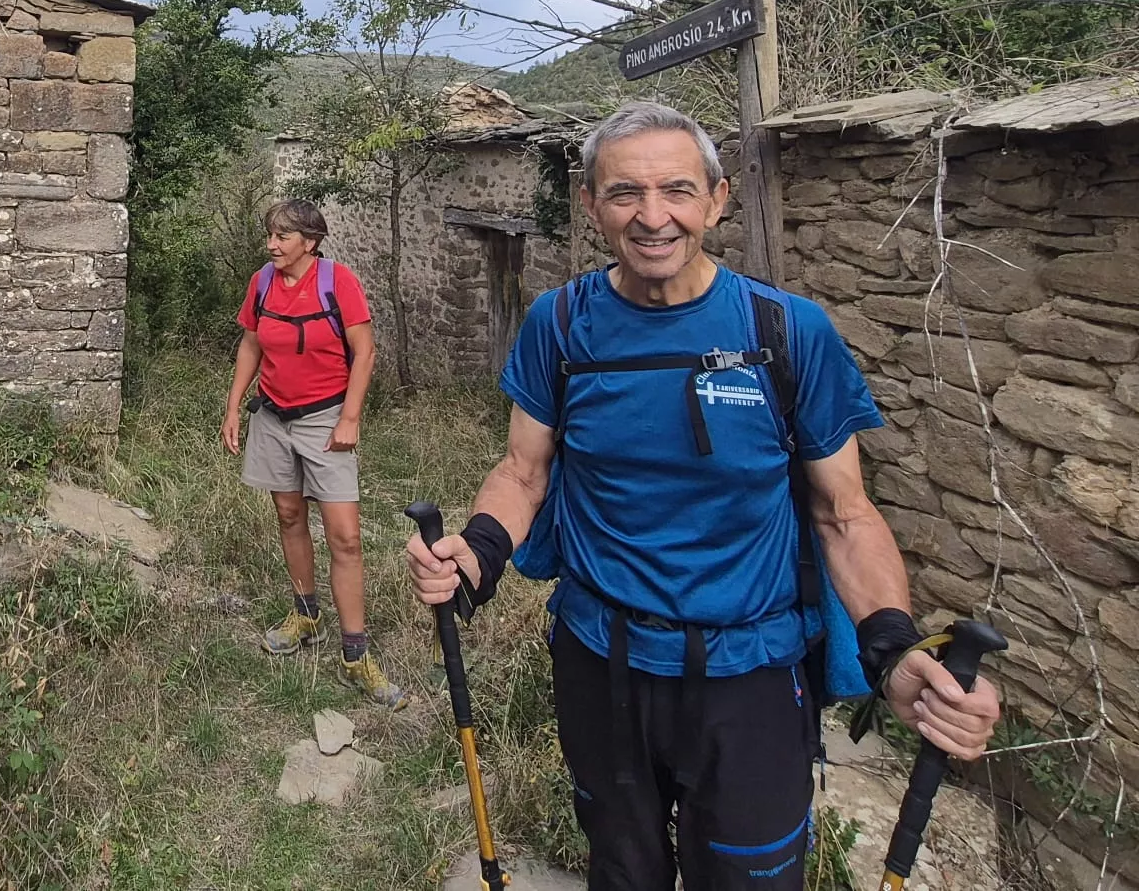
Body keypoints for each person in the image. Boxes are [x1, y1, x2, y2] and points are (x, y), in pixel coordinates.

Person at [406, 102, 1000, 889]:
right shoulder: (561, 324)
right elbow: (523, 471)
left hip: (750, 673)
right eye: (625, 194)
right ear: (590, 206)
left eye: (678, 191)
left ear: (717, 201)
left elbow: (842, 513)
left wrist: (893, 647)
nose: (653, 217)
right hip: (599, 660)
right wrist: (477, 552)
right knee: (622, 869)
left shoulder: (788, 332)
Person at [222, 199, 404, 709]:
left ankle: (355, 655)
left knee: (345, 537)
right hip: (273, 416)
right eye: (270, 236)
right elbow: (251, 345)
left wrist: (350, 417)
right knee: (288, 514)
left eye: (281, 237)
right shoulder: (262, 282)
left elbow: (364, 351)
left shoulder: (337, 282)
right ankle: (305, 615)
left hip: (327, 420)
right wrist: (235, 406)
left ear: (310, 241)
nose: (271, 245)